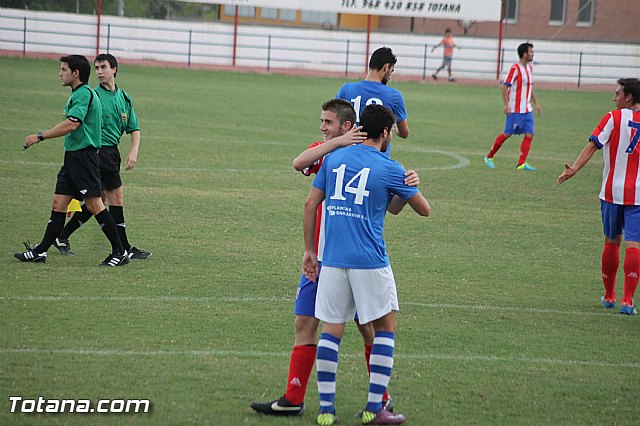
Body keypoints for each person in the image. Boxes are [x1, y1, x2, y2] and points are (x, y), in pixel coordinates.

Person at [250, 99, 419, 417]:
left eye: (327, 122)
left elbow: (392, 204)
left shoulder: (358, 157)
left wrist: (408, 186)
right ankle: (293, 398)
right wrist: (337, 142)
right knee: (304, 322)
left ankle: (380, 398)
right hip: (319, 259)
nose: (321, 127)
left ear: (348, 126)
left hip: (347, 258)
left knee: (366, 327)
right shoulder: (328, 151)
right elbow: (299, 162)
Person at [302, 104, 431, 425]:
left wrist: (309, 250)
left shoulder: (333, 159)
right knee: (385, 328)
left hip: (331, 258)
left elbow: (310, 203)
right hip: (370, 260)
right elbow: (423, 210)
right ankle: (376, 408)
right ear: (386, 132)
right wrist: (410, 183)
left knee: (332, 329)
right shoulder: (389, 167)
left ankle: (326, 411)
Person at [15, 55, 129, 267]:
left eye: (63, 69)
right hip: (72, 158)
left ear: (75, 73)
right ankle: (41, 251)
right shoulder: (78, 94)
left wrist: (40, 136)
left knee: (95, 205)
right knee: (59, 204)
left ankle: (119, 251)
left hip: (84, 158)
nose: (60, 73)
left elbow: (72, 124)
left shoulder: (84, 94)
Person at [54, 53, 151, 260]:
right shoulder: (93, 96)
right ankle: (124, 248)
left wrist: (133, 151)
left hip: (111, 153)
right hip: (98, 153)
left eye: (103, 67)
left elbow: (134, 128)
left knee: (97, 201)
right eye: (96, 68)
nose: (99, 72)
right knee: (111, 198)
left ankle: (61, 236)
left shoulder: (124, 98)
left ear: (114, 69)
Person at [557, 78, 640, 315]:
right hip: (638, 195)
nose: (614, 99)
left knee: (612, 241)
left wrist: (574, 168)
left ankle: (609, 296)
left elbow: (594, 145)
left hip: (612, 192)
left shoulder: (612, 118)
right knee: (634, 245)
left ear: (628, 98)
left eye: (617, 94)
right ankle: (627, 301)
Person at [484, 42, 542, 171]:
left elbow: (529, 88)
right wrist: (506, 105)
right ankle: (489, 156)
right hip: (514, 110)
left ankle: (521, 163)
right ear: (525, 54)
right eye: (531, 52)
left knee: (529, 134)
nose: (533, 54)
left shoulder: (529, 69)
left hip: (527, 110)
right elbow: (505, 86)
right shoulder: (515, 69)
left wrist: (536, 103)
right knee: (507, 134)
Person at [336, 47, 409, 141]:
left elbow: (335, 120)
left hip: (348, 150)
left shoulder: (346, 89)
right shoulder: (394, 96)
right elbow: (404, 133)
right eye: (391, 71)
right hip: (376, 153)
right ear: (386, 67)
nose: (390, 77)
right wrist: (394, 128)